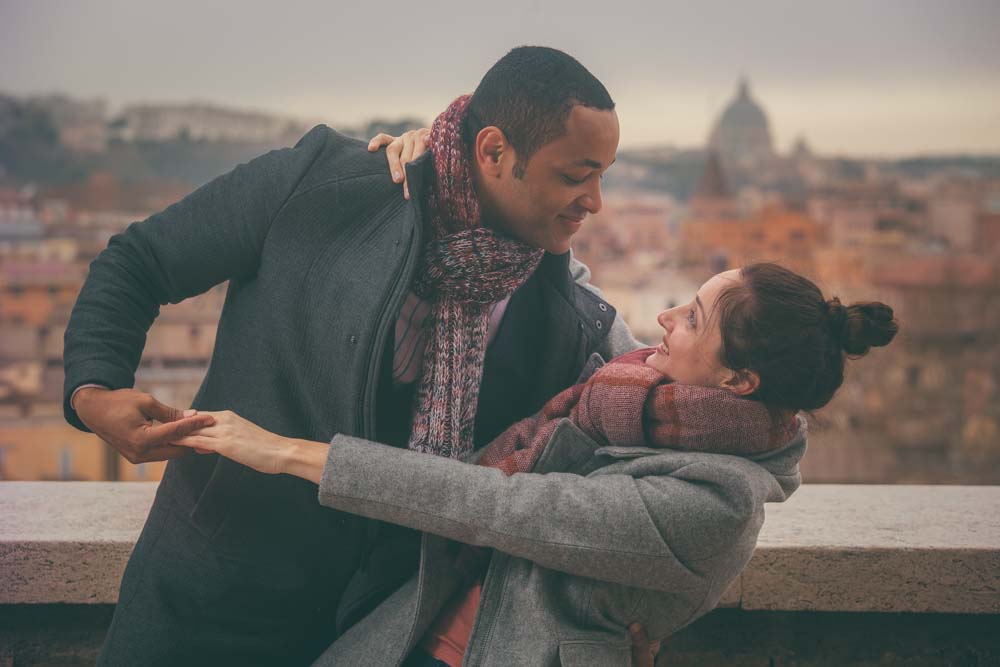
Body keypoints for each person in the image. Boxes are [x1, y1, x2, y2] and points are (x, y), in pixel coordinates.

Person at [62, 46, 641, 665]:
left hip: (383, 633)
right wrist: (93, 392)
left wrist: (635, 600)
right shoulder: (322, 185)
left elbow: (654, 423)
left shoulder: (565, 314)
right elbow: (139, 261)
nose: (595, 201)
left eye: (603, 174)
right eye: (576, 176)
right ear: (494, 152)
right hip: (211, 601)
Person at [172, 263, 899, 666]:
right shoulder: (635, 394)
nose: (666, 319)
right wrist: (426, 165)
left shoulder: (720, 502)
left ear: (741, 382)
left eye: (694, 318)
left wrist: (290, 453)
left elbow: (505, 507)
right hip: (417, 632)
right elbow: (554, 271)